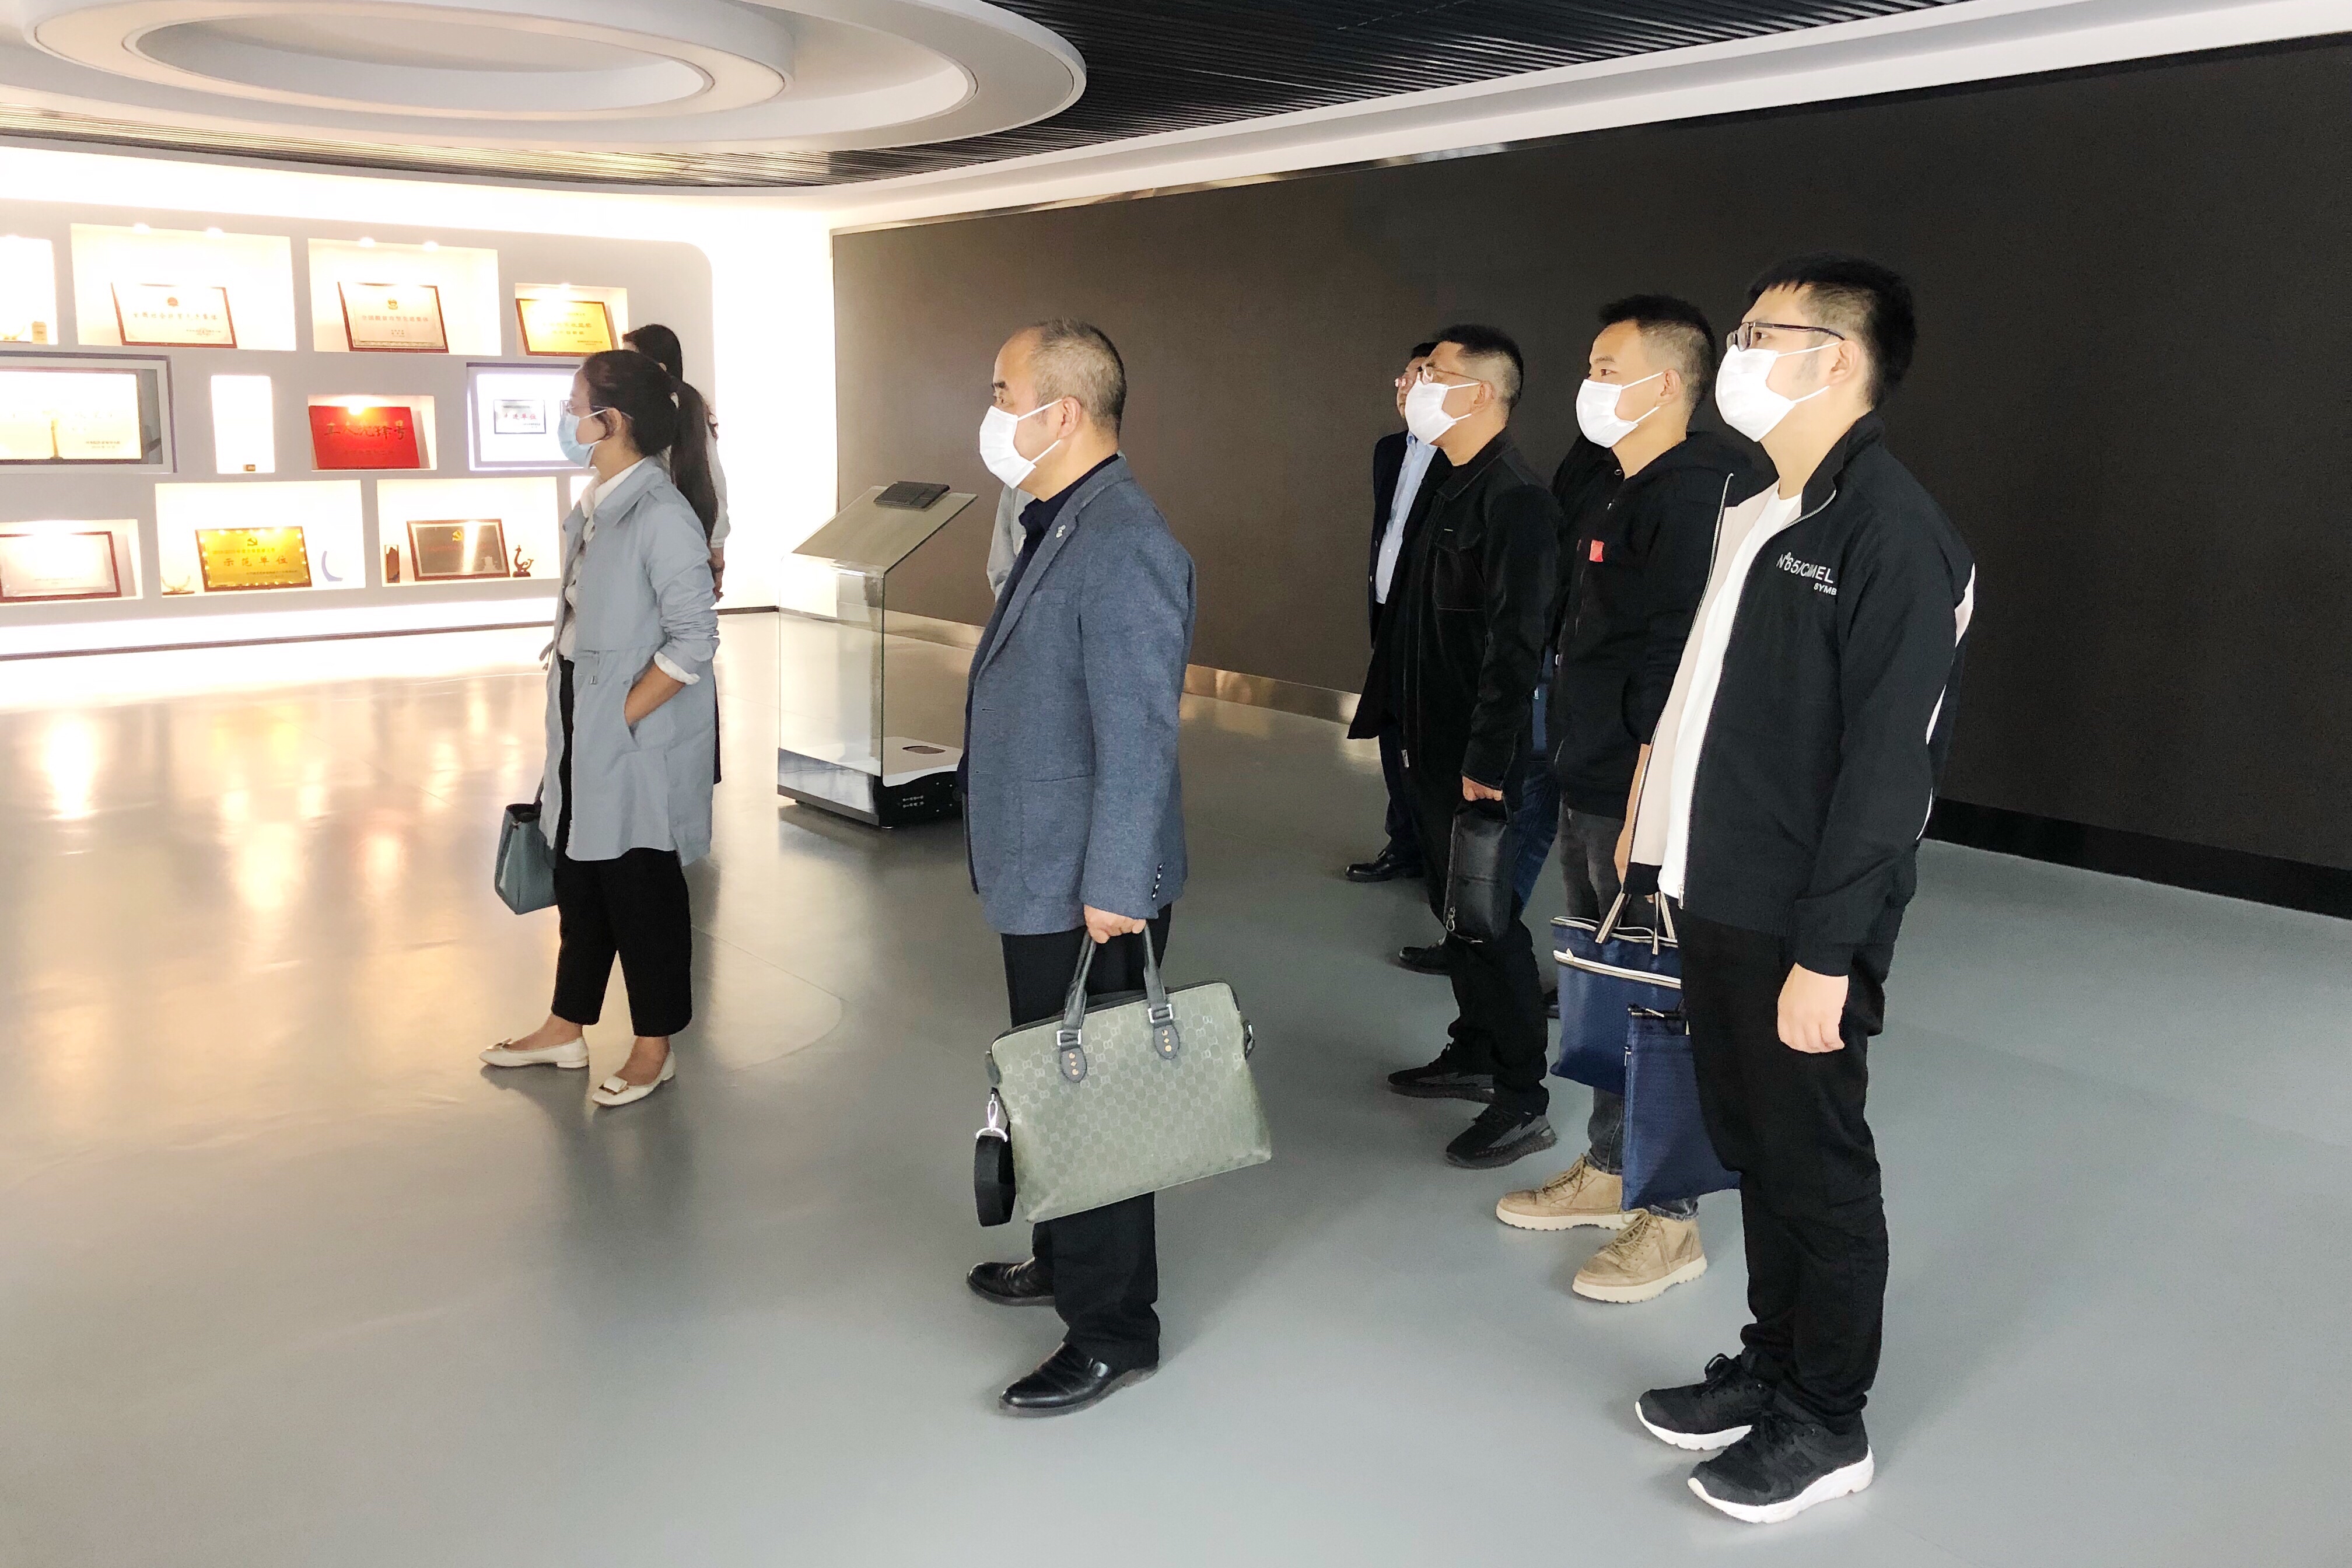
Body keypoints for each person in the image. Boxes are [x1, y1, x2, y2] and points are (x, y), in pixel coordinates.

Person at [1622, 256, 1973, 1524]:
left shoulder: (1892, 535)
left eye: (1761, 333)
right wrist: (1654, 837)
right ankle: (1773, 1363)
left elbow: (1888, 773)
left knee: (1814, 1163)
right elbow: (1711, 695)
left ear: (1836, 358)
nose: (1737, 352)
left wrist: (1828, 953)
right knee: (1754, 1144)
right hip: (1718, 889)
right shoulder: (1759, 505)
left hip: (1803, 919)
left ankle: (1827, 1418)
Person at [1496, 295, 1762, 1306]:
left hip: (1636, 793)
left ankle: (1670, 1218)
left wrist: (1648, 809)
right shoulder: (1622, 482)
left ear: (1668, 383)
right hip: (1593, 774)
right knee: (1610, 983)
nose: (1591, 385)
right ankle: (1612, 1167)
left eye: (1609, 369)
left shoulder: (1694, 492)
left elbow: (1672, 664)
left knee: (1657, 998)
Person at [958, 319, 1196, 1416]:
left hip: (1088, 882)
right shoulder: (1059, 518)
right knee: (1051, 1073)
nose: (992, 411)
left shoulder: (1124, 538)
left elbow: (1140, 733)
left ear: (1061, 412)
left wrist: (1114, 882)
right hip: (1044, 862)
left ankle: (1113, 1330)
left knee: (1096, 1098)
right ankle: (1062, 1257)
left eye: (1003, 392)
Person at [481, 349, 722, 1109]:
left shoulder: (661, 515)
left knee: (641, 885)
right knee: (578, 873)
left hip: (634, 730)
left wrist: (620, 717)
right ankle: (567, 1025)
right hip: (580, 709)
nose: (568, 418)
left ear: (609, 421)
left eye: (574, 404)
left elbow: (695, 639)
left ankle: (655, 1046)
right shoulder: (596, 503)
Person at [1380, 325, 1562, 1168]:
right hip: (1428, 745)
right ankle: (1477, 1048)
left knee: (1488, 922)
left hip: (1476, 760)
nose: (1416, 383)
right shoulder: (1450, 484)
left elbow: (1516, 647)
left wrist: (1487, 760)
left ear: (1482, 392)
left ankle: (1523, 1096)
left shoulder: (1517, 501)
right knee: (1453, 912)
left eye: (1435, 373)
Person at [1343, 341, 1442, 890]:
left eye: (1421, 376)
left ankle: (1438, 853)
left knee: (1427, 736)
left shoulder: (1458, 458)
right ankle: (1403, 841)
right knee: (1390, 728)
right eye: (1403, 378)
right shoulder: (1389, 451)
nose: (1406, 388)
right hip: (1386, 607)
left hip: (1430, 617)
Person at [620, 324, 729, 598]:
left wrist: (717, 556)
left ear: (659, 367)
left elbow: (712, 480)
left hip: (678, 536)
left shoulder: (682, 407)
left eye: (631, 359)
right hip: (663, 535)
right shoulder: (648, 409)